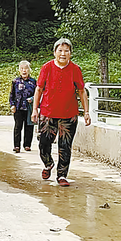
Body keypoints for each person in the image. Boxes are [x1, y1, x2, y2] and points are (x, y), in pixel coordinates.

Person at [31, 38, 91, 187]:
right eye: (60, 50)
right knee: (44, 143)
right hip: (47, 112)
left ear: (70, 53)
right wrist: (35, 109)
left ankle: (62, 175)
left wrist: (86, 112)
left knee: (65, 146)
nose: (63, 54)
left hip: (69, 114)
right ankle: (48, 163)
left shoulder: (75, 69)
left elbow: (81, 91)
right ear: (54, 52)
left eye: (66, 51)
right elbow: (39, 89)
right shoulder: (47, 67)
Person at [9, 60, 36, 153]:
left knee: (29, 127)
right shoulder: (15, 81)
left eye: (26, 68)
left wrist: (32, 99)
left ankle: (27, 145)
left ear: (29, 70)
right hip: (18, 107)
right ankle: (17, 146)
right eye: (22, 68)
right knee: (18, 127)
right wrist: (12, 105)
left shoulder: (33, 82)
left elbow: (38, 94)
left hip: (29, 108)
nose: (24, 70)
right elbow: (12, 95)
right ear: (19, 70)